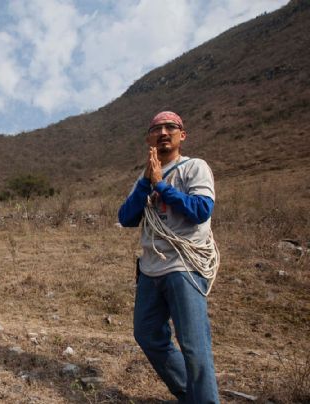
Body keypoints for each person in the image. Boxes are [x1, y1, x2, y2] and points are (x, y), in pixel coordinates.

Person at [118, 111, 219, 402]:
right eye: (156, 128)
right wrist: (147, 183)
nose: (163, 132)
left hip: (184, 265)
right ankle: (191, 395)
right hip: (151, 268)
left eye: (170, 127)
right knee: (147, 333)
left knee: (194, 344)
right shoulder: (145, 176)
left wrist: (162, 185)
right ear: (149, 139)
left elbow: (201, 210)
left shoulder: (194, 168)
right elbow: (126, 218)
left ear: (182, 135)